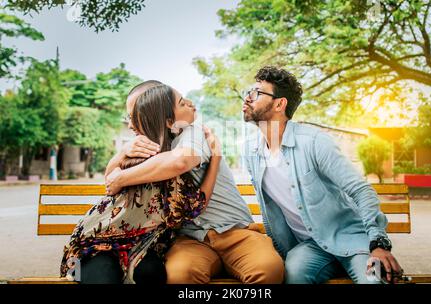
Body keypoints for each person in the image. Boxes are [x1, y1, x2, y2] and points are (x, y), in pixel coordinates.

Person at [105, 81, 284, 284]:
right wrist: (121, 154)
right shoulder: (151, 144)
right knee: (180, 276)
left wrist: (121, 177)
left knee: (268, 271)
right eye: (131, 115)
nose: (130, 124)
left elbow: (181, 161)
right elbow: (109, 183)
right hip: (190, 239)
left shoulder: (194, 132)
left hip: (236, 232)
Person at [242, 66, 403, 284]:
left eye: (258, 93)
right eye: (250, 91)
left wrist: (379, 243)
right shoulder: (252, 152)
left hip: (356, 240)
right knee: (292, 276)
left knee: (374, 280)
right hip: (310, 248)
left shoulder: (314, 142)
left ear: (280, 104)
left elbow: (361, 190)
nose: (248, 97)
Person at [60, 80, 221, 284]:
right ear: (168, 120)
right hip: (97, 243)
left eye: (134, 116)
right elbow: (111, 183)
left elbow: (113, 180)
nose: (130, 124)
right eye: (181, 103)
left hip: (143, 246)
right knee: (102, 275)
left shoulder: (167, 156)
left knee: (151, 273)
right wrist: (216, 157)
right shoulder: (146, 155)